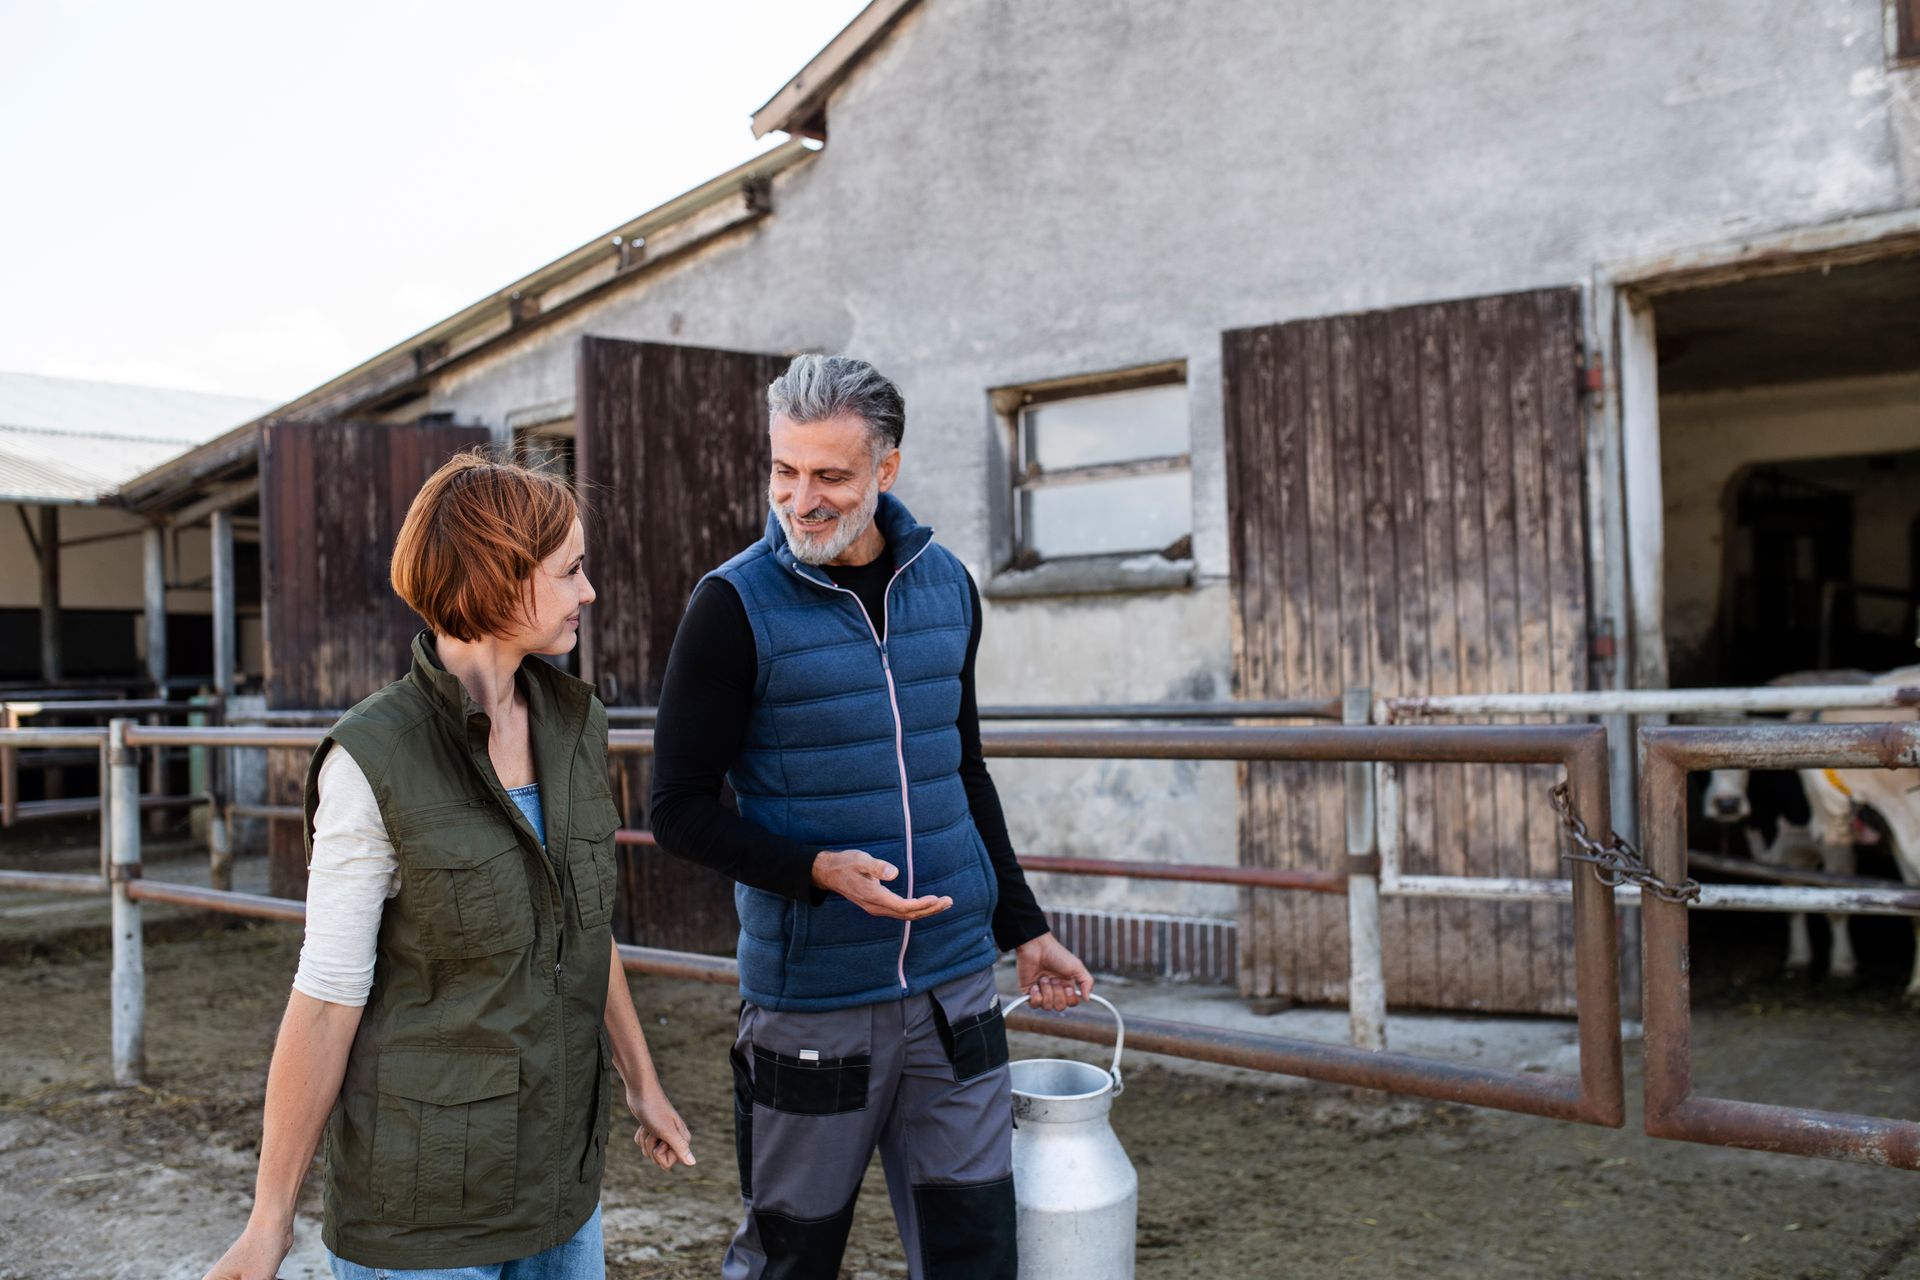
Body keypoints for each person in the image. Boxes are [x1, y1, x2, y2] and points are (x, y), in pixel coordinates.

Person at [649, 354, 1094, 1280]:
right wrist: (815, 870)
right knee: (789, 1261)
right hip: (815, 1006)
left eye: (830, 476)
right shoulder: (730, 606)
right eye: (783, 470)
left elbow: (961, 769)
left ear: (885, 470)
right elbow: (677, 810)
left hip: (956, 993)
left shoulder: (948, 589)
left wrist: (1026, 927)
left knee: (976, 1257)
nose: (799, 500)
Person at [204, 453, 694, 1280]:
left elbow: (583, 924)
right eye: (571, 572)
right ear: (499, 579)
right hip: (424, 1216)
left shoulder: (575, 725)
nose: (590, 592)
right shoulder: (371, 759)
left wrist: (641, 1081)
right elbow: (326, 1000)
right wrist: (269, 1223)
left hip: (561, 1188)